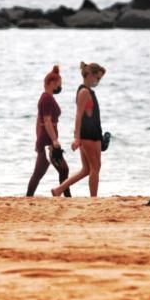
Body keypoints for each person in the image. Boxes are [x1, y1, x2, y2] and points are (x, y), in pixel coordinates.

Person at [52, 62, 106, 198]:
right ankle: (94, 198)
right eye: (97, 78)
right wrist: (77, 137)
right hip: (88, 135)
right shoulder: (84, 92)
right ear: (89, 75)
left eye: (100, 79)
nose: (97, 81)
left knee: (87, 169)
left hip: (94, 133)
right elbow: (78, 114)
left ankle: (58, 190)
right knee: (95, 167)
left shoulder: (89, 92)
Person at [26, 65, 71, 197]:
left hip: (45, 140)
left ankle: (29, 197)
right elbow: (46, 121)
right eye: (59, 84)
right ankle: (66, 196)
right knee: (61, 169)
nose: (60, 87)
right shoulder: (46, 99)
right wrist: (54, 140)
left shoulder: (46, 98)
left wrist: (39, 138)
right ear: (52, 83)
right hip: (47, 142)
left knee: (42, 172)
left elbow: (38, 121)